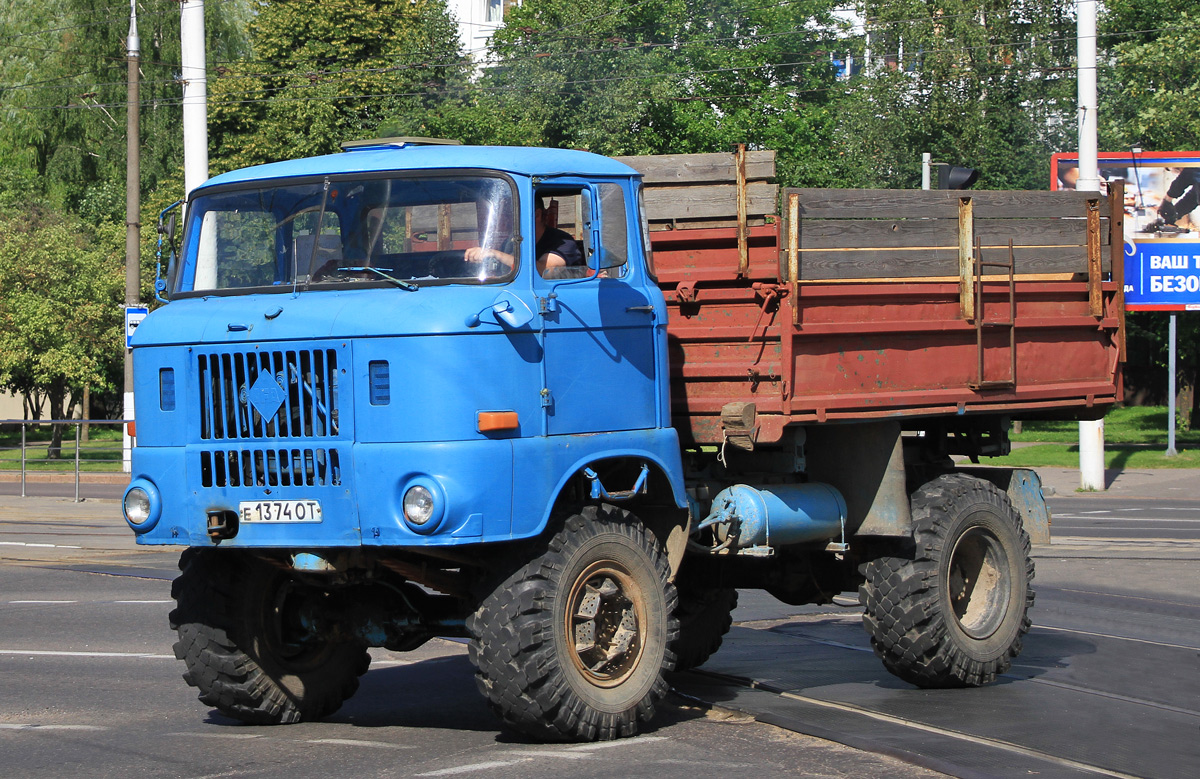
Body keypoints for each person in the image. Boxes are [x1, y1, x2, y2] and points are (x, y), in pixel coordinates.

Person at [465, 197, 585, 275]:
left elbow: (544, 271)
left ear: (537, 215)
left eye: (510, 214)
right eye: (504, 215)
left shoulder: (562, 242)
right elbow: (501, 274)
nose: (506, 221)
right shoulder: (511, 242)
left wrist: (496, 253)